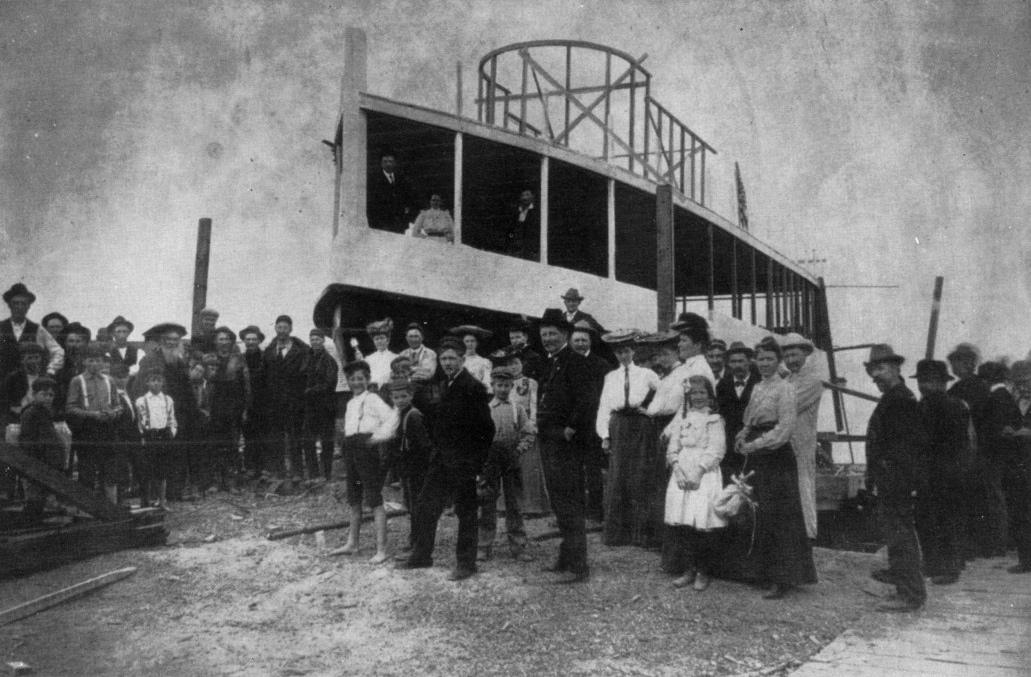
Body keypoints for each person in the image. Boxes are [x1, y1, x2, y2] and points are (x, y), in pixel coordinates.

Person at [397, 337, 494, 581]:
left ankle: (466, 563)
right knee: (426, 505)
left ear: (462, 359)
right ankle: (422, 555)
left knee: (466, 511)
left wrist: (477, 464)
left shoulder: (473, 388)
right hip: (441, 457)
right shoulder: (444, 384)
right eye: (444, 358)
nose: (447, 362)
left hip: (463, 461)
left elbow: (486, 430)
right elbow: (434, 414)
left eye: (452, 358)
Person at [734, 337, 817, 600]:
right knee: (759, 512)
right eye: (761, 359)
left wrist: (755, 444)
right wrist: (742, 434)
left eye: (770, 359)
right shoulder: (758, 387)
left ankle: (783, 578)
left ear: (777, 361)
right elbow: (751, 418)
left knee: (779, 515)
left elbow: (784, 429)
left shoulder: (786, 389)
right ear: (755, 362)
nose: (765, 364)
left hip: (776, 456)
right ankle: (761, 571)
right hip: (759, 455)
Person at [863, 344, 928, 611]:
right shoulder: (894, 396)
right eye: (871, 370)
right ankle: (903, 580)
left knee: (900, 534)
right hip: (892, 478)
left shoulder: (900, 399)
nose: (874, 375)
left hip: (896, 480)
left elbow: (905, 447)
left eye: (879, 368)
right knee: (897, 533)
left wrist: (887, 474)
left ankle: (910, 594)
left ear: (895, 368)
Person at [536, 309, 597, 583]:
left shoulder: (576, 362)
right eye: (544, 335)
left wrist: (569, 430)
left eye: (552, 334)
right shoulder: (550, 363)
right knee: (559, 501)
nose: (547, 339)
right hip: (549, 440)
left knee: (570, 502)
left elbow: (587, 401)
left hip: (565, 443)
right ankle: (566, 555)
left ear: (565, 334)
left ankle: (578, 566)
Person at [595, 329, 658, 546]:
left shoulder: (647, 374)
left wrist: (649, 410)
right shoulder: (611, 377)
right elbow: (604, 407)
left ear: (634, 351)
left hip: (640, 426)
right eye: (619, 352)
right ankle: (617, 534)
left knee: (639, 475)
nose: (623, 356)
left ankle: (640, 534)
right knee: (618, 476)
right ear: (615, 355)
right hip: (619, 426)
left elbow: (664, 393)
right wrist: (605, 435)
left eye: (627, 351)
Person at [664, 376, 727, 591]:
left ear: (709, 395)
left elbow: (717, 450)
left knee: (701, 523)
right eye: (694, 393)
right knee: (684, 523)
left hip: (704, 473)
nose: (698, 397)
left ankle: (704, 571)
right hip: (681, 472)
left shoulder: (714, 420)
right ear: (688, 396)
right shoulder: (681, 419)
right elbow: (673, 448)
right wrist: (678, 471)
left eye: (702, 393)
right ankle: (689, 569)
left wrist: (698, 473)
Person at [332, 360, 398, 564]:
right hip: (351, 451)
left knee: (374, 499)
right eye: (352, 379)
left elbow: (392, 418)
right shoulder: (351, 403)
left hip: (367, 452)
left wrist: (378, 437)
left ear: (368, 380)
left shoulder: (374, 399)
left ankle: (381, 549)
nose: (356, 383)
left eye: (360, 379)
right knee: (354, 497)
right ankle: (353, 542)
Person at [912, 358, 970, 586]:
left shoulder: (933, 406)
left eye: (928, 381)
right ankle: (946, 564)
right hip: (948, 471)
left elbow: (927, 441)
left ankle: (944, 568)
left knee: (938, 520)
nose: (923, 385)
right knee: (943, 519)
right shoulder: (953, 404)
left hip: (939, 472)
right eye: (922, 381)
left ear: (940, 383)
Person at [477, 365, 535, 562]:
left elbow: (528, 432)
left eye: (506, 385)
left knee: (514, 504)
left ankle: (518, 546)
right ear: (492, 385)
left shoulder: (517, 409)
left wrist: (519, 449)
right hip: (490, 462)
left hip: (511, 461)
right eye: (499, 385)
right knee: (487, 503)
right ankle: (483, 546)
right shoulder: (484, 409)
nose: (502, 389)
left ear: (512, 386)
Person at [946, 342, 992, 561]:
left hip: (965, 453)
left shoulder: (960, 390)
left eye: (955, 362)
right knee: (976, 500)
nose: (953, 366)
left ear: (966, 363)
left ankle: (967, 547)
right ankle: (979, 546)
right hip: (981, 452)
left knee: (964, 501)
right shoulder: (983, 387)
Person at [135, 323, 192, 498]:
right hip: (156, 414)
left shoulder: (180, 360)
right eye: (168, 339)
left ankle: (174, 492)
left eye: (176, 339)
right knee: (157, 455)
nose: (172, 343)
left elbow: (187, 388)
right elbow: (139, 388)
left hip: (178, 414)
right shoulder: (149, 359)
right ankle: (154, 494)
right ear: (161, 340)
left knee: (177, 454)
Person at [66, 343, 124, 503]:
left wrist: (114, 413)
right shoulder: (77, 381)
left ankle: (111, 508)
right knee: (87, 472)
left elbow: (118, 404)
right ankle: (86, 509)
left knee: (110, 470)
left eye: (98, 361)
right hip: (87, 430)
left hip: (107, 430)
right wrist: (92, 415)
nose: (95, 364)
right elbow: (70, 408)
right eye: (91, 360)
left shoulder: (109, 380)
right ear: (84, 361)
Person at [496, 348, 549, 516]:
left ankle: (532, 507)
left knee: (528, 467)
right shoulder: (502, 383)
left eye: (516, 363)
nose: (513, 367)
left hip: (525, 425)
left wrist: (532, 426)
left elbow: (533, 405)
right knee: (507, 466)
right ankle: (505, 506)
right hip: (507, 425)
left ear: (522, 364)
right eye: (509, 364)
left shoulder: (530, 382)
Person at [780, 332, 823, 539]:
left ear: (805, 353)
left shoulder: (813, 380)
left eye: (794, 355)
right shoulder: (786, 379)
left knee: (803, 489)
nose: (790, 360)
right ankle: (791, 539)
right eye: (787, 356)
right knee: (787, 493)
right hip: (784, 444)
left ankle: (808, 537)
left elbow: (785, 407)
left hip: (802, 444)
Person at [386, 376, 432, 558]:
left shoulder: (413, 415)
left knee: (418, 508)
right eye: (396, 398)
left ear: (411, 395)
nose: (399, 400)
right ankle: (414, 540)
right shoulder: (398, 414)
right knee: (411, 507)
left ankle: (419, 544)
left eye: (403, 396)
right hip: (406, 469)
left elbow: (423, 445)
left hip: (416, 469)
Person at [572, 320, 612, 524]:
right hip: (571, 426)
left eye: (583, 340)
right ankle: (576, 510)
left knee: (593, 469)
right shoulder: (566, 362)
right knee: (573, 469)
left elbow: (604, 397)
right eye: (576, 340)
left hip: (592, 424)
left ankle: (595, 511)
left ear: (590, 342)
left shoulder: (601, 364)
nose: (580, 344)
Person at [979, 361, 1019, 558]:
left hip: (993, 456)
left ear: (987, 379)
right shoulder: (1007, 397)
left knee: (995, 498)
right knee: (1003, 497)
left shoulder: (996, 397)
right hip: (1006, 456)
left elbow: (994, 429)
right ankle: (1004, 541)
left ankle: (999, 543)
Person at [263, 315, 309, 478]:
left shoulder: (301, 350)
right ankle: (279, 470)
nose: (282, 331)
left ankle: (297, 471)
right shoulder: (269, 351)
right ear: (275, 328)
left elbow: (306, 374)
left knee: (295, 436)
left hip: (294, 400)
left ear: (290, 329)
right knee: (276, 436)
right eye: (279, 327)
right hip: (275, 401)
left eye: (285, 327)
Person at [207, 327, 249, 490]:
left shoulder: (239, 359)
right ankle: (216, 481)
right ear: (215, 341)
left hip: (234, 407)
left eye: (226, 339)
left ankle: (231, 481)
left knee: (232, 444)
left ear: (231, 341)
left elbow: (246, 384)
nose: (223, 342)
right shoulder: (209, 359)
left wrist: (245, 408)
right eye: (220, 339)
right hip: (215, 407)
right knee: (215, 444)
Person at [17, 375, 64, 514]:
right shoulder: (31, 412)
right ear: (34, 394)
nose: (48, 398)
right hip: (36, 462)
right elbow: (27, 439)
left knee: (41, 498)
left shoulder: (45, 412)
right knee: (35, 497)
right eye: (43, 394)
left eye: (51, 395)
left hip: (47, 462)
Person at [716, 341, 760, 484]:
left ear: (749, 361)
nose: (737, 365)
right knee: (730, 484)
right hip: (729, 444)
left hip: (754, 441)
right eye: (733, 362)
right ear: (728, 364)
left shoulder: (760, 382)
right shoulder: (722, 385)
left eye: (741, 361)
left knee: (754, 483)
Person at [1, 283, 64, 384]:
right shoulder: (1, 327)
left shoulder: (38, 329)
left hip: (30, 383)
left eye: (23, 303)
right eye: (15, 303)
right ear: (9, 305)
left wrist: (50, 371)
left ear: (29, 306)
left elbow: (58, 352)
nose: (19, 307)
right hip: (3, 383)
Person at [1002, 360, 1031, 574]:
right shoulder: (1016, 402)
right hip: (1019, 466)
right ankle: (1026, 560)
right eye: (1018, 383)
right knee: (1021, 513)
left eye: (1026, 382)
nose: (1022, 387)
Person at [135, 369, 178, 511]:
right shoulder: (141, 401)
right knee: (147, 470)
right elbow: (140, 421)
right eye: (153, 380)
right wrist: (143, 435)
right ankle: (147, 501)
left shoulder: (168, 399)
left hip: (164, 435)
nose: (156, 383)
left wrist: (171, 431)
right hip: (149, 436)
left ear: (163, 382)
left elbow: (172, 418)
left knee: (163, 470)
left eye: (159, 380)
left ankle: (162, 501)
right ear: (147, 382)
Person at [301, 328, 338, 480]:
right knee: (308, 440)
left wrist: (311, 390)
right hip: (310, 407)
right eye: (312, 339)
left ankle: (327, 474)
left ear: (323, 340)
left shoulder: (329, 360)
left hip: (325, 406)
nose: (314, 342)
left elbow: (329, 383)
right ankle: (313, 473)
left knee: (327, 441)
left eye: (317, 339)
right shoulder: (307, 358)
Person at [239, 325, 268, 477]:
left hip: (263, 402)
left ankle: (263, 468)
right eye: (247, 339)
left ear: (259, 341)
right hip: (246, 402)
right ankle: (250, 467)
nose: (250, 342)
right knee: (248, 435)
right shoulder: (240, 359)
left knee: (262, 435)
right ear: (244, 341)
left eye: (253, 339)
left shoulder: (266, 357)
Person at [367, 149, 417, 234]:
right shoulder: (374, 180)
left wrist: (405, 218)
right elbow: (372, 205)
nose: (388, 164)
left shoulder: (401, 179)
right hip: (381, 225)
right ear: (381, 163)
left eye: (391, 161)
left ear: (395, 163)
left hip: (399, 225)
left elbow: (408, 199)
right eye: (385, 161)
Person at [3, 343, 51, 426]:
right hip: (18, 418)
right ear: (22, 360)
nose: (34, 361)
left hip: (42, 417)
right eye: (30, 358)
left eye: (36, 357)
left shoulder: (46, 377)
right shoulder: (14, 378)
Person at [399, 323, 439, 418]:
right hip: (407, 393)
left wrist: (408, 370)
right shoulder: (402, 354)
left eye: (416, 336)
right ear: (406, 338)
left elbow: (427, 374)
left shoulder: (430, 353)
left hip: (424, 394)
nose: (413, 339)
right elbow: (399, 374)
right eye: (411, 336)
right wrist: (418, 369)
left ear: (422, 337)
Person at [450, 325, 493, 391]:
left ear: (477, 343)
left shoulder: (484, 362)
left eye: (472, 341)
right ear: (463, 343)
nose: (470, 344)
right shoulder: (457, 360)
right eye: (467, 341)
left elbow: (487, 382)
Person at [364, 318, 398, 390]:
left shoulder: (395, 357)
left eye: (382, 338)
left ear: (387, 340)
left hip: (390, 389)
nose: (379, 341)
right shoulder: (368, 359)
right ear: (373, 341)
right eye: (376, 339)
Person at [507, 317, 543, 382]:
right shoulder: (508, 354)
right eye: (512, 338)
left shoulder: (534, 357)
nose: (514, 341)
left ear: (526, 337)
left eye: (518, 337)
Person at [507, 188, 539, 259]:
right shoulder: (516, 212)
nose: (525, 198)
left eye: (527, 195)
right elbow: (510, 230)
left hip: (530, 250)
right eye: (523, 195)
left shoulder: (536, 212)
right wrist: (511, 239)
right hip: (516, 249)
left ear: (532, 197)